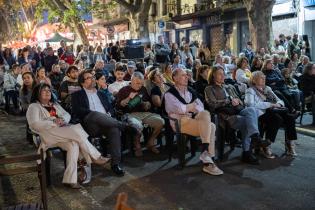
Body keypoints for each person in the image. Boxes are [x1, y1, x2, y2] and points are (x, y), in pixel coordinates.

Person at [27, 83, 109, 189]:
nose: (48, 92)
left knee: (73, 145)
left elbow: (67, 115)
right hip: (48, 135)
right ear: (37, 94)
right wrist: (53, 122)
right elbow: (34, 125)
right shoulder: (34, 106)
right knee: (76, 129)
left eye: (49, 90)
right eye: (44, 90)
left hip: (62, 134)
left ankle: (70, 180)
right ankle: (95, 156)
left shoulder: (54, 104)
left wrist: (62, 120)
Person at [71, 70, 139, 176]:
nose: (93, 79)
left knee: (114, 130)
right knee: (95, 114)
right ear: (82, 82)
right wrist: (95, 114)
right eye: (89, 78)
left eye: (93, 77)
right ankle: (124, 126)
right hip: (90, 125)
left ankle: (115, 164)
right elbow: (77, 111)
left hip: (107, 123)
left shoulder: (101, 94)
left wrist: (109, 115)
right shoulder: (77, 95)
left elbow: (110, 108)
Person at [205, 66, 271, 165]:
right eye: (220, 73)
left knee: (252, 111)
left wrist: (237, 100)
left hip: (238, 110)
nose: (223, 75)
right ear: (213, 75)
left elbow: (241, 100)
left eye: (223, 73)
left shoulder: (229, 86)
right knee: (248, 121)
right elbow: (212, 104)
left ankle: (255, 137)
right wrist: (229, 101)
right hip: (226, 115)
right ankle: (247, 152)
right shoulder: (209, 88)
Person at [164, 68, 223, 175]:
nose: (186, 77)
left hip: (192, 119)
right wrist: (190, 107)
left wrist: (188, 108)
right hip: (179, 122)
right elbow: (178, 109)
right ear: (175, 78)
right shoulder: (169, 94)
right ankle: (208, 159)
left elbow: (200, 107)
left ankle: (206, 155)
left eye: (186, 75)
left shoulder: (191, 91)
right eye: (183, 75)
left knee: (205, 113)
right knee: (212, 126)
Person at [245, 71, 297, 157]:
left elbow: (280, 100)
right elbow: (251, 105)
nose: (264, 79)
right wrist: (270, 104)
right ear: (254, 80)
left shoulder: (267, 89)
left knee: (290, 118)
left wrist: (278, 104)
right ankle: (267, 145)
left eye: (264, 77)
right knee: (277, 119)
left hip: (273, 111)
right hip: (260, 113)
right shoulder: (250, 90)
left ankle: (289, 143)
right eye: (261, 78)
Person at [116, 72, 165, 157]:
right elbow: (119, 106)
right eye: (137, 83)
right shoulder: (124, 90)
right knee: (137, 125)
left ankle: (150, 142)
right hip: (130, 114)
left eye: (141, 83)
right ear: (131, 81)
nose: (139, 85)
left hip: (144, 113)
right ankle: (137, 146)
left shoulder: (143, 89)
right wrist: (128, 98)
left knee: (160, 122)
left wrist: (147, 104)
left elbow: (148, 103)